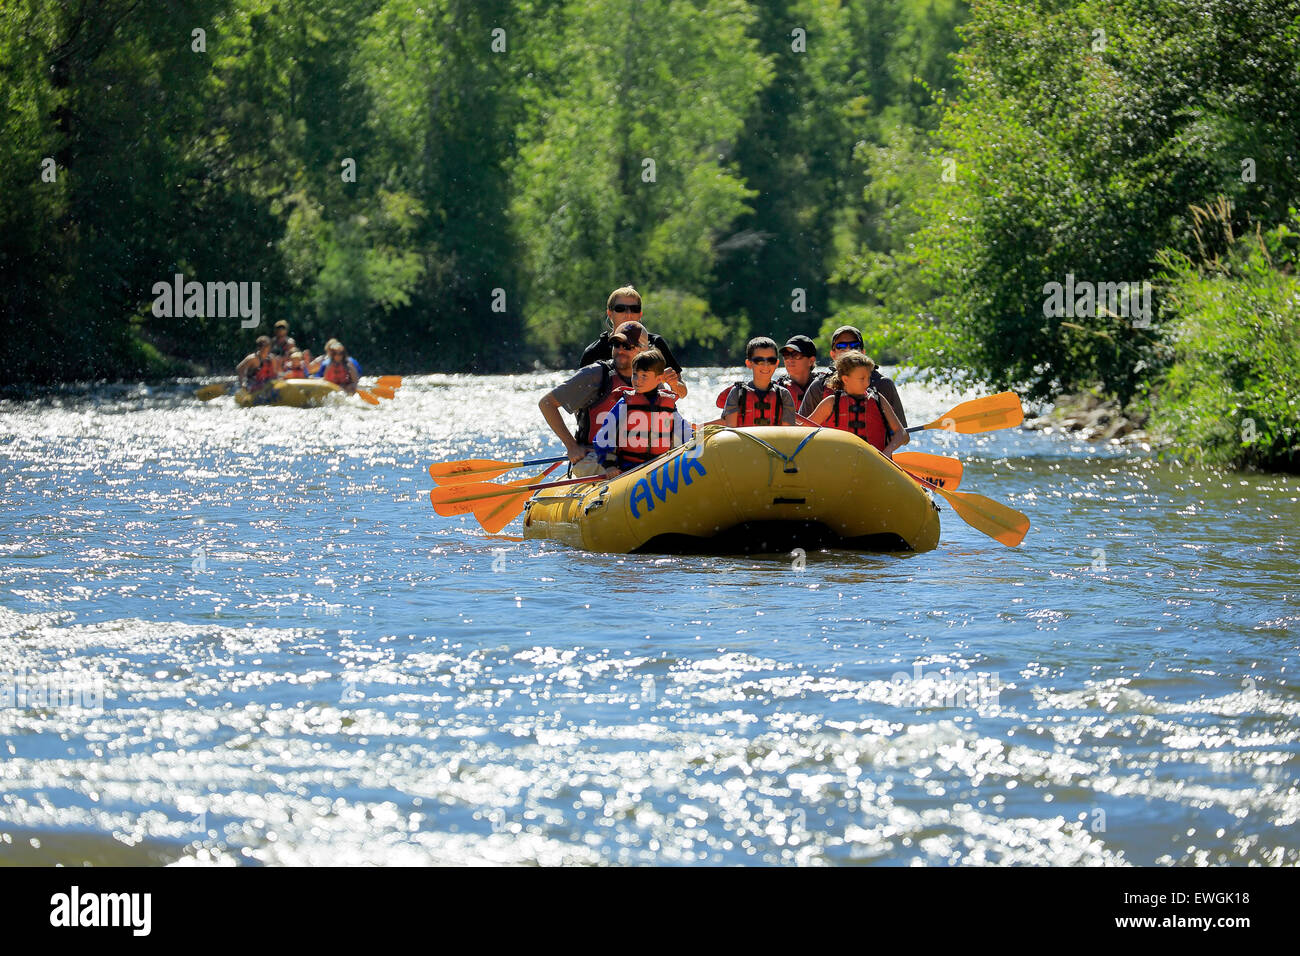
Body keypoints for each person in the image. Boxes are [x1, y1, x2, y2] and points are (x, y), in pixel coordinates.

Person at [540, 323, 649, 477]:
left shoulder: (653, 379)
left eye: (628, 346)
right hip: (595, 459)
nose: (620, 350)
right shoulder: (595, 374)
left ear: (644, 349)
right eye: (616, 344)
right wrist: (572, 446)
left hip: (635, 458)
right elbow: (546, 403)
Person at [592, 349, 692, 475]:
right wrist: (609, 466)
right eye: (635, 374)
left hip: (660, 468)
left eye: (644, 376)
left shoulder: (668, 404)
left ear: (659, 379)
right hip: (628, 470)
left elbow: (684, 433)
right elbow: (604, 436)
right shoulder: (625, 403)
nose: (637, 380)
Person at [579, 286, 687, 399]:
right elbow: (578, 400)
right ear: (610, 314)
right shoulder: (594, 352)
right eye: (621, 308)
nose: (628, 314)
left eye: (634, 309)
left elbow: (682, 393)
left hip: (647, 414)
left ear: (640, 314)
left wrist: (674, 384)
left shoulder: (655, 343)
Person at [798, 325, 908, 432]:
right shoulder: (819, 386)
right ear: (833, 354)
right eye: (841, 346)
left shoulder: (883, 385)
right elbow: (801, 431)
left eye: (855, 345)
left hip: (874, 450)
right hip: (830, 450)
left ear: (863, 353)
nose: (849, 349)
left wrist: (887, 449)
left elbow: (902, 431)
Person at [805, 351, 909, 457]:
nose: (867, 383)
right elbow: (803, 431)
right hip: (836, 465)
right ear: (845, 379)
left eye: (868, 378)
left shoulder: (878, 400)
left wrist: (887, 452)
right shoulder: (830, 403)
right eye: (862, 379)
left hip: (874, 464)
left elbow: (902, 433)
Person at [721, 337, 797, 427]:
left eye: (771, 360)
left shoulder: (784, 395)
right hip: (744, 441)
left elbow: (787, 433)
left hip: (773, 441)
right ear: (749, 363)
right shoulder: (737, 393)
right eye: (759, 361)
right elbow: (731, 431)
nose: (766, 365)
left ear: (776, 363)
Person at [775, 335, 825, 410]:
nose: (789, 359)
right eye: (786, 355)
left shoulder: (823, 386)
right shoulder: (778, 388)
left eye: (796, 355)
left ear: (811, 361)